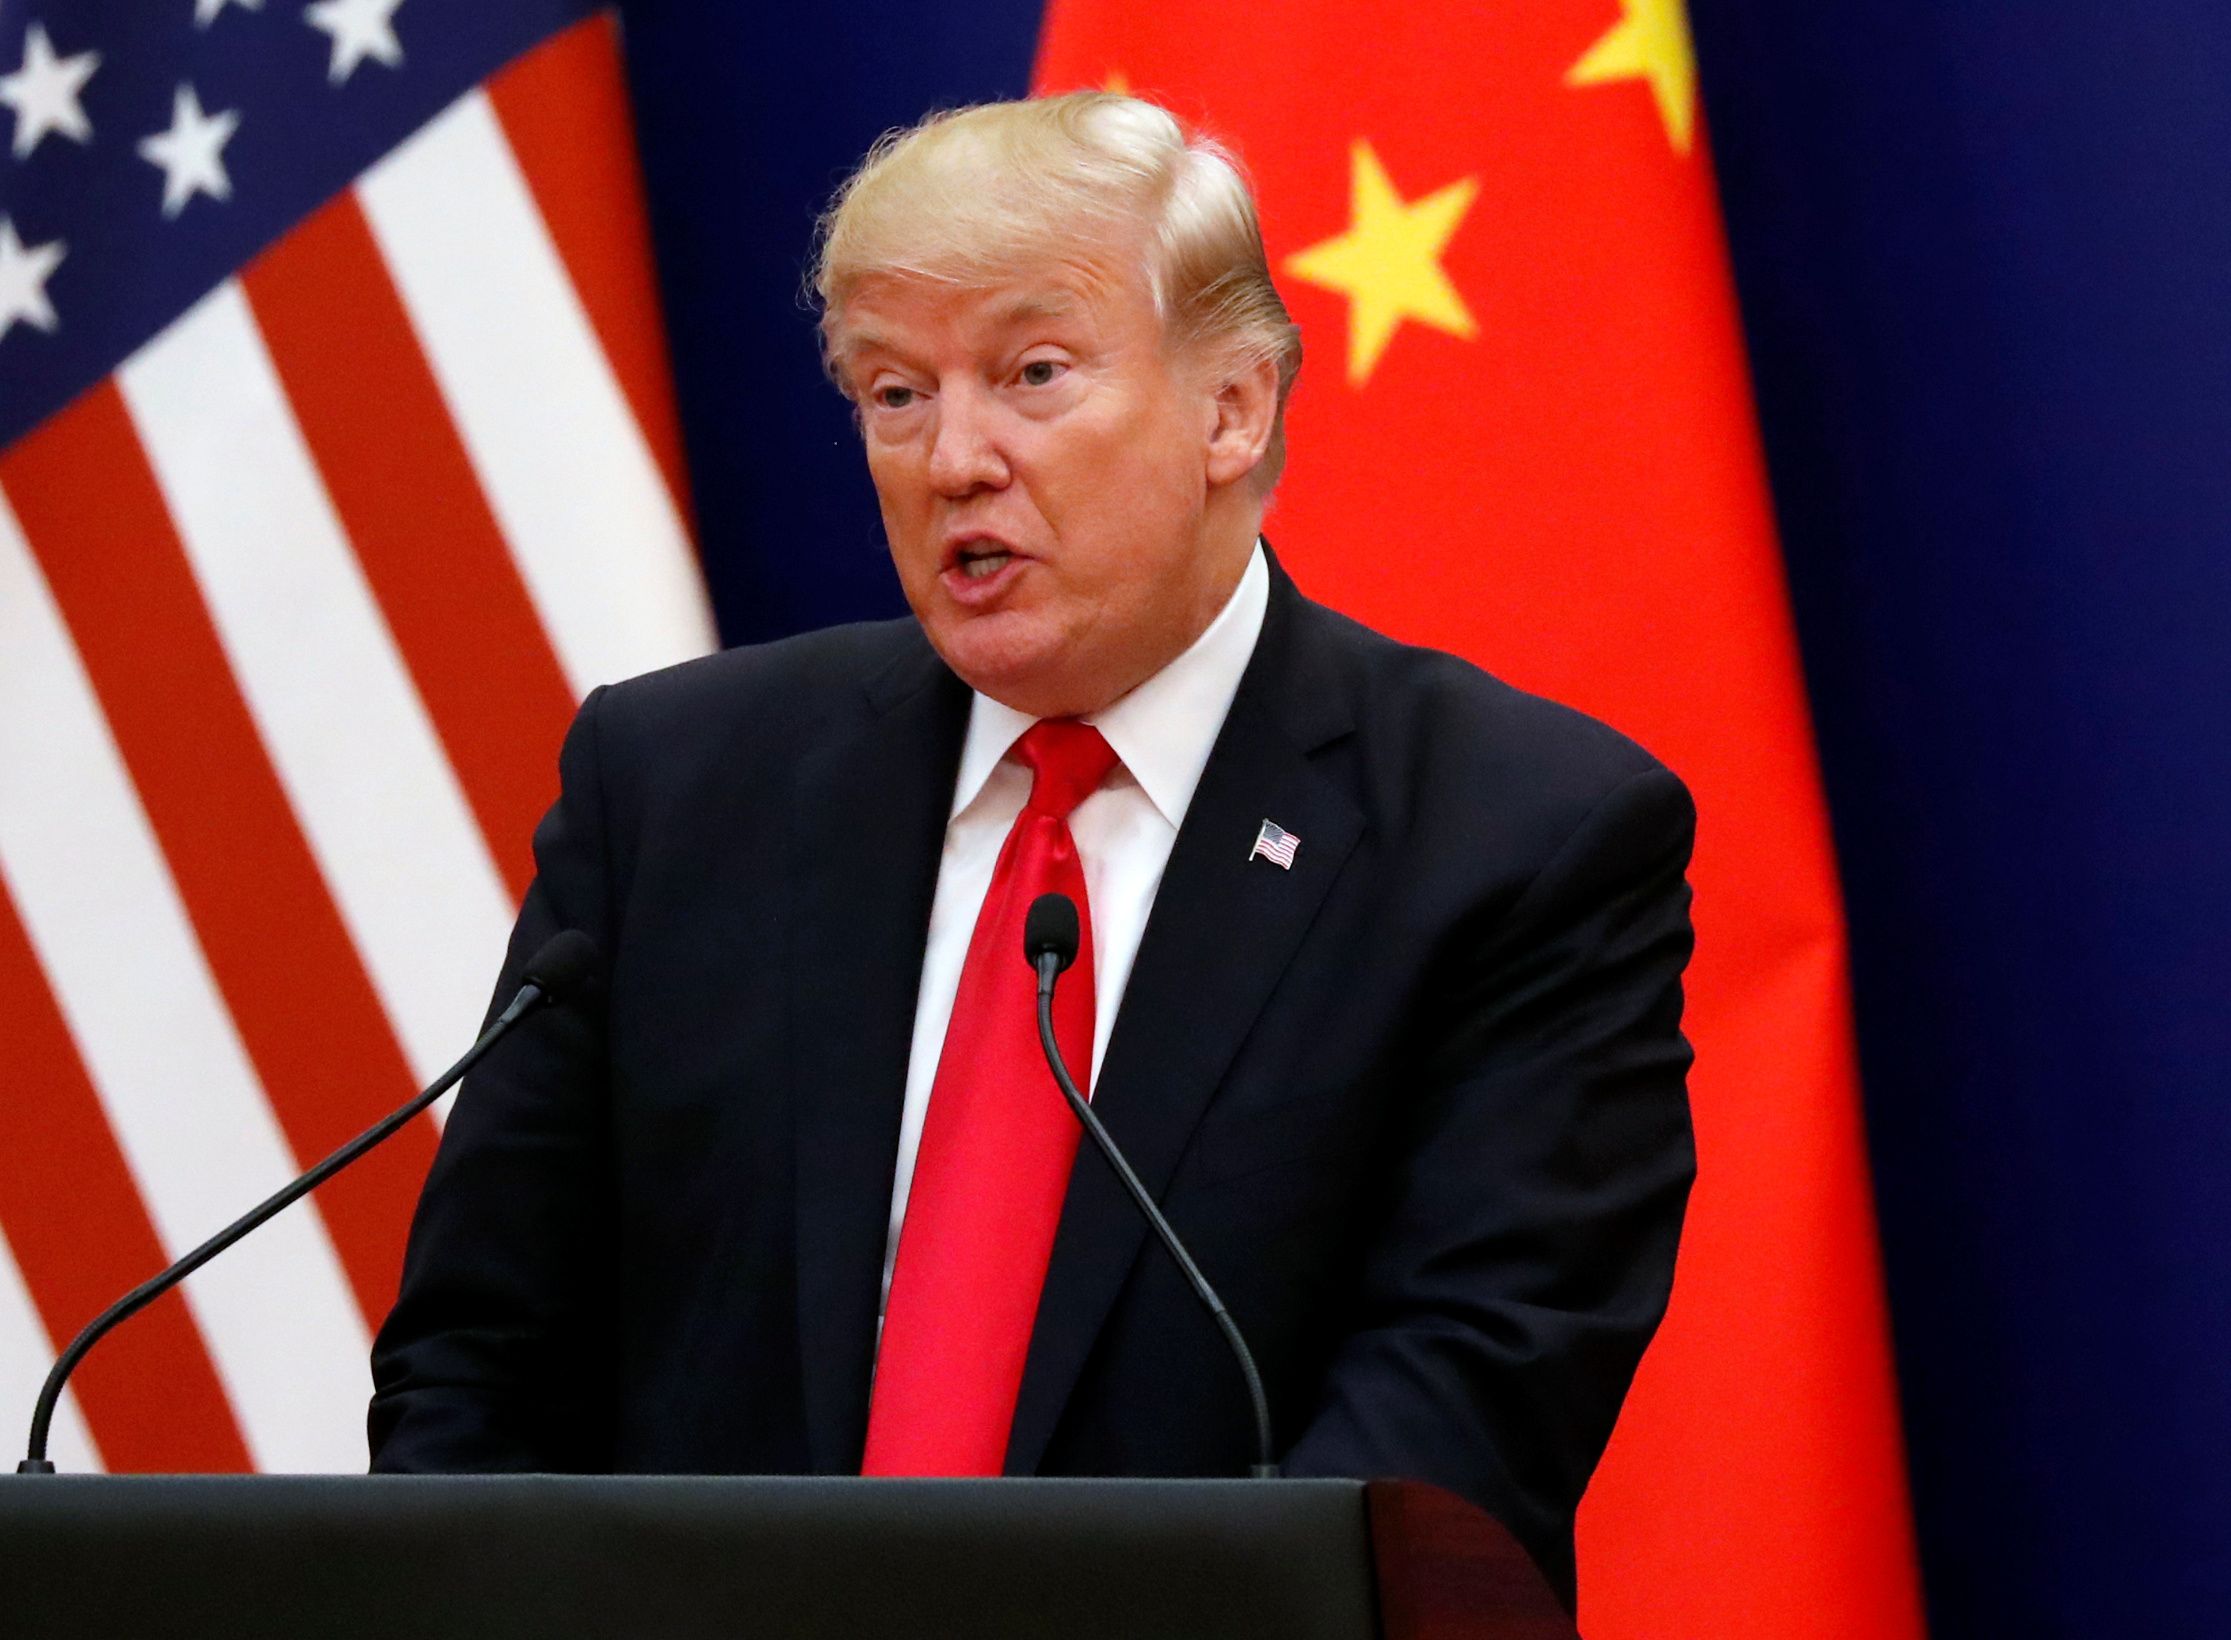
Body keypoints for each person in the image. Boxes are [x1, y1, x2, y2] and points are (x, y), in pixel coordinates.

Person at [368, 91, 1696, 1609]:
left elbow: (1451, 1439)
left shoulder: (1516, 842)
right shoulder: (675, 787)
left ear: (1232, 408)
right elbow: (477, 1371)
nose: (954, 460)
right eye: (894, 393)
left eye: (1033, 374)